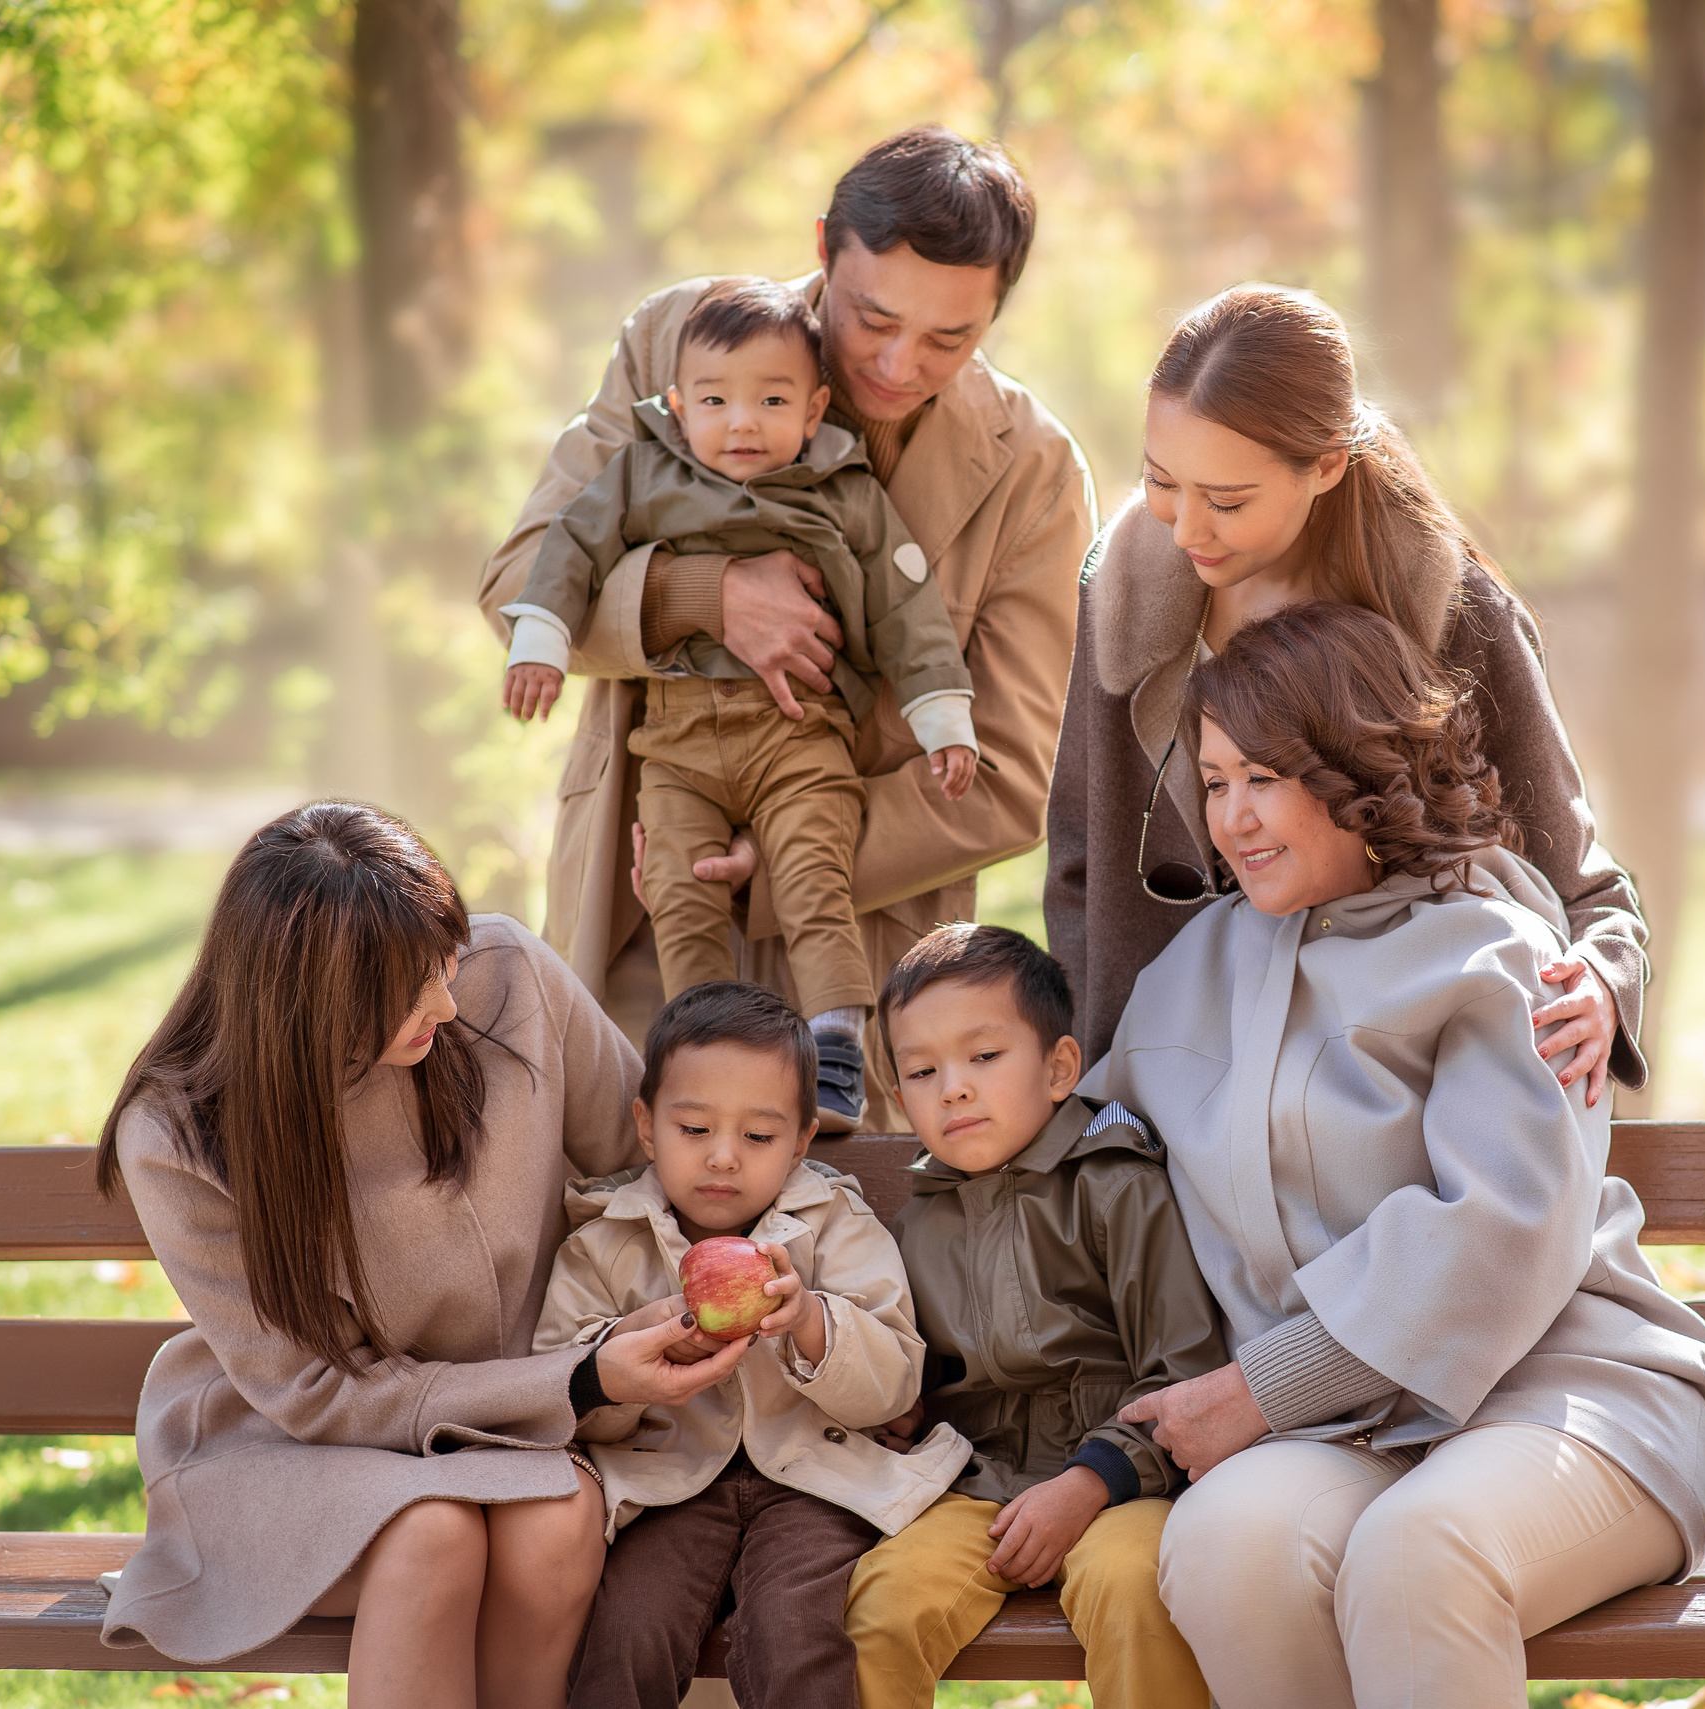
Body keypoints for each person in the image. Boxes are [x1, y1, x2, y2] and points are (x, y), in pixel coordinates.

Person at [1085, 605, 1705, 1709]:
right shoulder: (1194, 969)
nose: (1233, 818)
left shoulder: (1497, 951)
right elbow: (1094, 1154)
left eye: (1264, 777)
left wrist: (1259, 1386)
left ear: (1356, 772)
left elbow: (1497, 1229)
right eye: (1213, 782)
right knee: (1222, 1544)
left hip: (1567, 1397)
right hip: (1347, 1428)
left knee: (1416, 1557)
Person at [479, 126, 1094, 1126]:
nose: (900, 364)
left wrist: (788, 861)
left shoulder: (1035, 470)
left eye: (952, 338)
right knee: (630, 1242)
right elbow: (521, 578)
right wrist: (703, 595)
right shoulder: (680, 338)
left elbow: (1011, 778)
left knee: (837, 1270)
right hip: (649, 912)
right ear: (822, 247)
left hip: (864, 966)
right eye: (872, 318)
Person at [94, 802, 755, 1709]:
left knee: (556, 1521)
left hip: (516, 1422)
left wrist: (657, 1323)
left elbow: (658, 1165)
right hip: (291, 1438)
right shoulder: (177, 1133)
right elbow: (318, 1391)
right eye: (409, 988)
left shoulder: (510, 974)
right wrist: (581, 1380)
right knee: (432, 1534)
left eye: (442, 961)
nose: (446, 1001)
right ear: (306, 1004)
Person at [1045, 283, 1641, 1109]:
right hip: (1166, 1110)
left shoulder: (1451, 612)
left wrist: (1607, 981)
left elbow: (1581, 884)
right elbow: (1078, 869)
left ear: (1325, 465)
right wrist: (1101, 1100)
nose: (1185, 530)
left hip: (1382, 1110)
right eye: (1160, 481)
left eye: (1226, 501)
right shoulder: (1122, 593)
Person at [501, 277, 980, 1128]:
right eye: (716, 402)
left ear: (815, 406)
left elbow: (909, 609)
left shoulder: (841, 487)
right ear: (679, 406)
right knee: (678, 893)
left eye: (771, 401)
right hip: (677, 743)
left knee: (811, 876)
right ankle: (697, 1061)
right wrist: (541, 636)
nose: (742, 423)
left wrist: (942, 715)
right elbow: (567, 542)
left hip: (799, 737)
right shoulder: (648, 472)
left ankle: (835, 1053)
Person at [536, 980, 970, 1709]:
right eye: (695, 1129)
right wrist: (631, 1364)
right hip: (668, 1484)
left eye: (759, 1136)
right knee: (629, 1629)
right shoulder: (604, 1241)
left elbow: (896, 1376)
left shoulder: (834, 1224)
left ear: (801, 1140)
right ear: (647, 1126)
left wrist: (811, 1322)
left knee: (796, 1629)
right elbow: (561, 1387)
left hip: (815, 1475)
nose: (724, 1157)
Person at [843, 923, 1225, 1709]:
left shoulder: (1117, 1186)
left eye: (984, 1057)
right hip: (978, 1487)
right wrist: (904, 1412)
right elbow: (918, 1375)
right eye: (921, 1070)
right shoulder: (914, 1227)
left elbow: (1184, 1373)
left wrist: (1090, 1481)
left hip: (1125, 1486)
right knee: (879, 1609)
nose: (952, 1086)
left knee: (1138, 1593)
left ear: (1058, 1067)